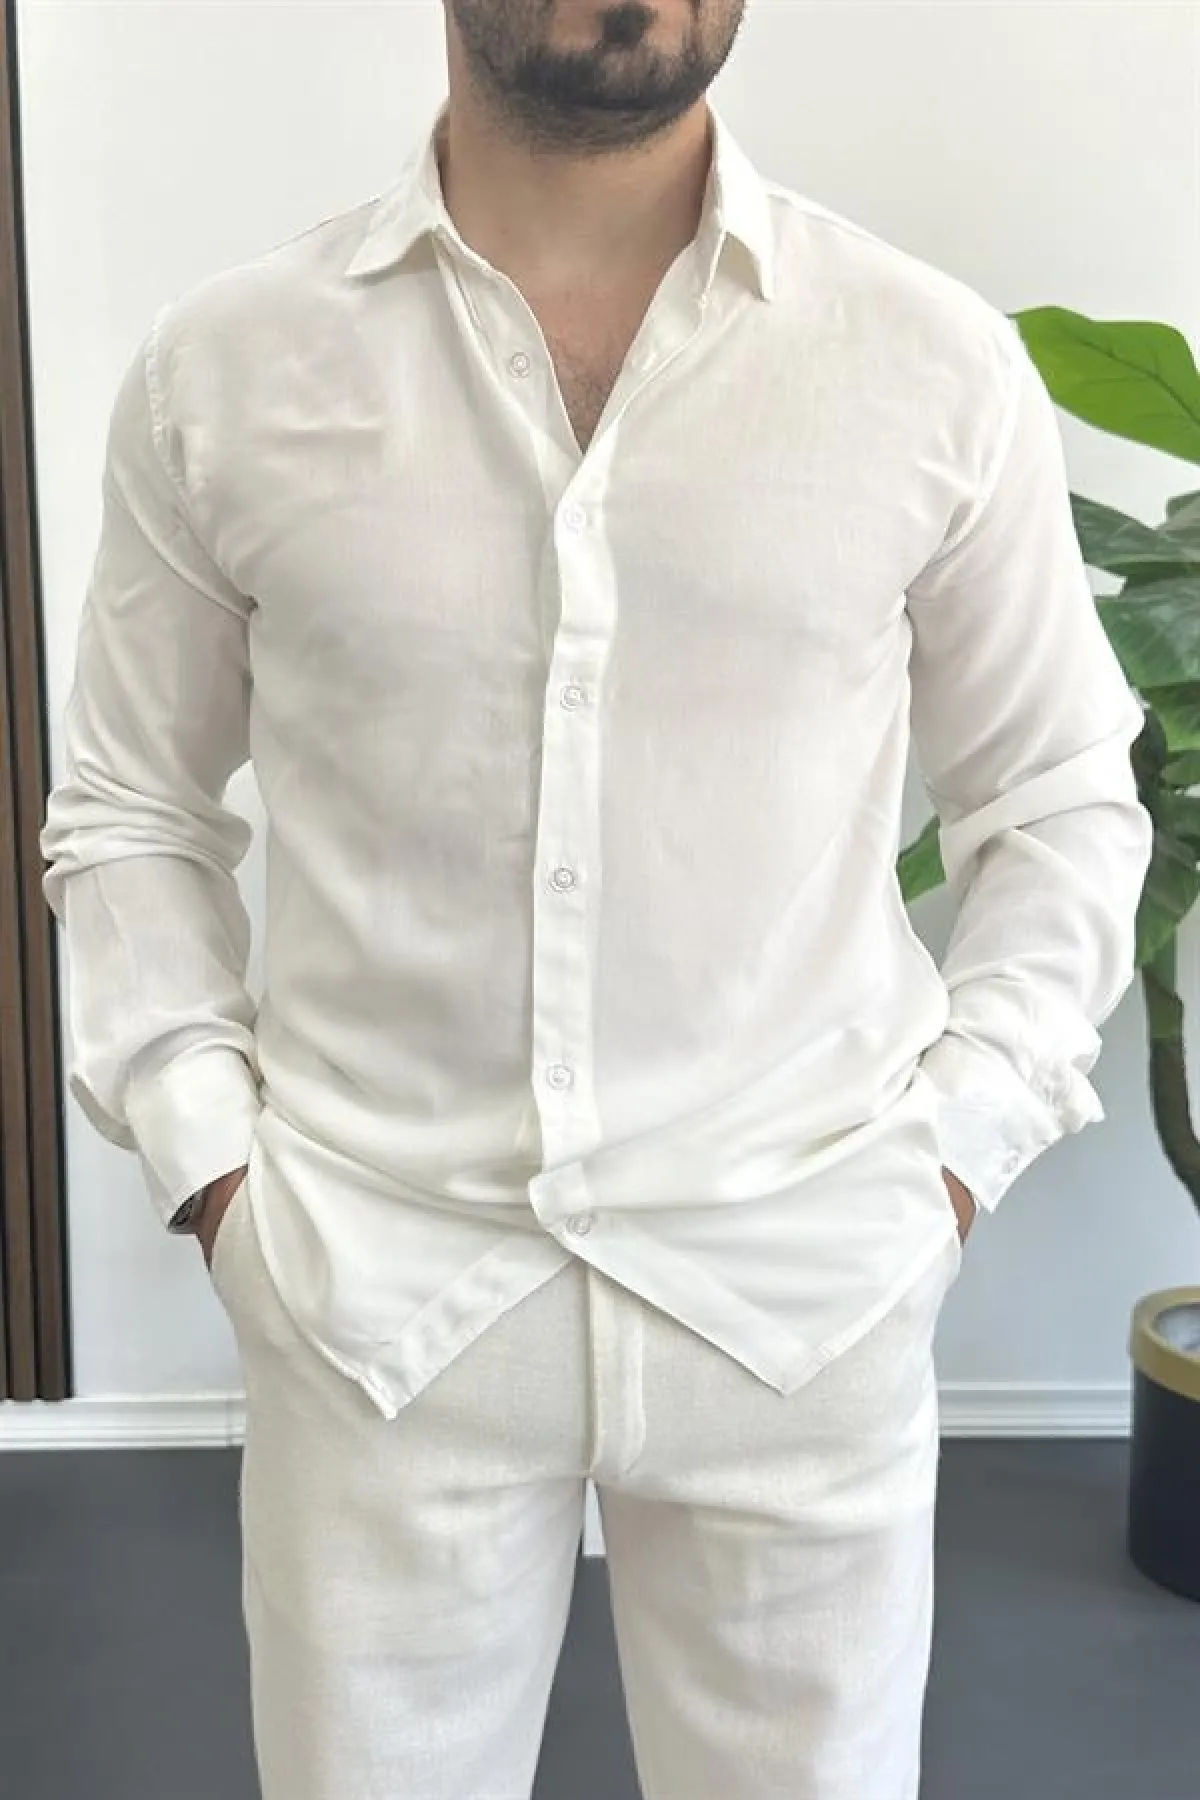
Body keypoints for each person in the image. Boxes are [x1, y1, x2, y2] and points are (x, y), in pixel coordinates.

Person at [40, 2, 1153, 1796]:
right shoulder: (224, 372)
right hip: (374, 1298)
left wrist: (948, 1166)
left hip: (803, 1286)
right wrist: (215, 1174)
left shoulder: (926, 362)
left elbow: (1058, 794)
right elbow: (130, 808)